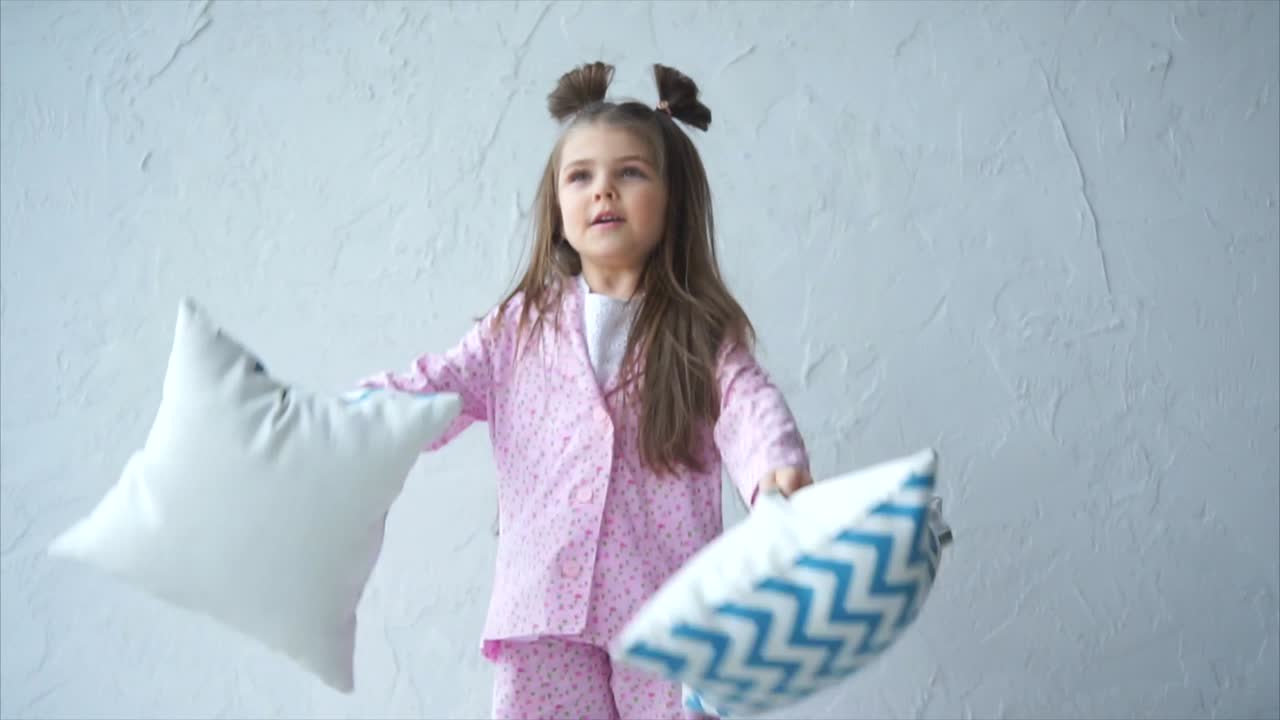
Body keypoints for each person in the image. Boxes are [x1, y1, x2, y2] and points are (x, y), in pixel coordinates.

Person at [360, 61, 813, 720]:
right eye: (581, 176)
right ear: (558, 206)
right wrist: (343, 420)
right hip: (542, 617)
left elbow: (749, 406)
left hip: (668, 618)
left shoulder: (698, 334)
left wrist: (776, 475)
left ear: (673, 201)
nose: (604, 191)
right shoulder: (517, 329)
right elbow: (436, 386)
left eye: (630, 173)